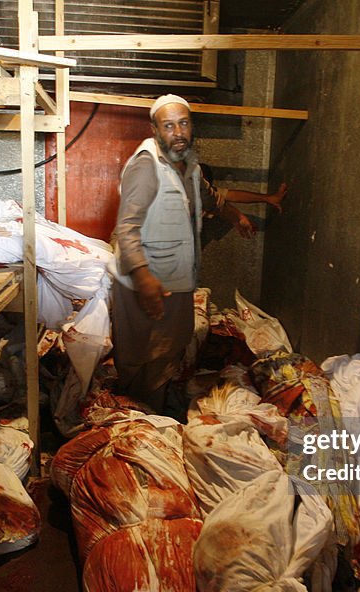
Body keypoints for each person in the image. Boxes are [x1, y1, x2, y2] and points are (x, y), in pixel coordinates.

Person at [110, 94, 254, 411]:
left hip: (173, 279)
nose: (178, 132)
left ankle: (154, 407)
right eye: (169, 125)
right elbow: (127, 226)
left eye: (184, 123)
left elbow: (210, 196)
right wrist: (143, 276)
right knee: (140, 353)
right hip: (143, 280)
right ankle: (141, 414)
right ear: (155, 130)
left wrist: (236, 216)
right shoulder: (147, 167)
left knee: (170, 345)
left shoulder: (188, 167)